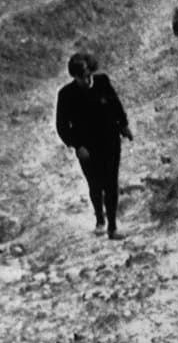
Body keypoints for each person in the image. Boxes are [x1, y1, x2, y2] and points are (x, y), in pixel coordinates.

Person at [55, 52, 133, 241]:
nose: (86, 80)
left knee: (111, 183)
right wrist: (77, 145)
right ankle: (100, 218)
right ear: (74, 76)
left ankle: (112, 227)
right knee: (95, 185)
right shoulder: (66, 95)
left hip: (110, 141)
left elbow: (116, 105)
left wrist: (124, 126)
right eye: (81, 77)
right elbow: (62, 126)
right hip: (87, 149)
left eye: (88, 75)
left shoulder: (103, 82)